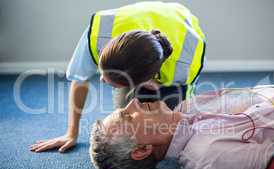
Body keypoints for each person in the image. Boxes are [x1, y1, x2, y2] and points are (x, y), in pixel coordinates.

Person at [30, 2, 206, 153]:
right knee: (126, 124)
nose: (101, 80)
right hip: (137, 36)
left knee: (169, 128)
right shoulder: (98, 34)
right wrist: (71, 132)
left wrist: (161, 88)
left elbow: (186, 110)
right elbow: (79, 79)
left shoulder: (186, 62)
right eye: (103, 73)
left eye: (110, 80)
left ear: (147, 78)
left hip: (178, 24)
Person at [89, 85, 274, 169]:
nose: (133, 102)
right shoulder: (209, 159)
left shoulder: (187, 108)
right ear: (142, 150)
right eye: (127, 116)